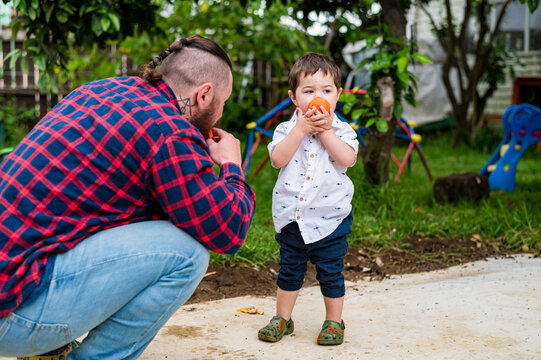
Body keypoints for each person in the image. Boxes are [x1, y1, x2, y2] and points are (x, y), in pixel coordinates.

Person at [0, 35, 256, 359]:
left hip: (10, 274)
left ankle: (50, 349)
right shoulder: (170, 131)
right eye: (223, 101)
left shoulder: (104, 90)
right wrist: (232, 165)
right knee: (188, 254)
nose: (220, 113)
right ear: (205, 94)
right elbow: (227, 229)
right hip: (12, 313)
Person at [258, 53, 358, 346]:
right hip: (293, 217)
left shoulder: (341, 130)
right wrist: (301, 130)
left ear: (338, 95)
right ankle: (283, 318)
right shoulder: (287, 129)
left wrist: (325, 131)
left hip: (330, 219)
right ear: (294, 97)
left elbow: (347, 158)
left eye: (326, 91)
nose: (319, 97)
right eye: (309, 91)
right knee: (289, 269)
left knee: (330, 271)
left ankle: (333, 321)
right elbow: (277, 159)